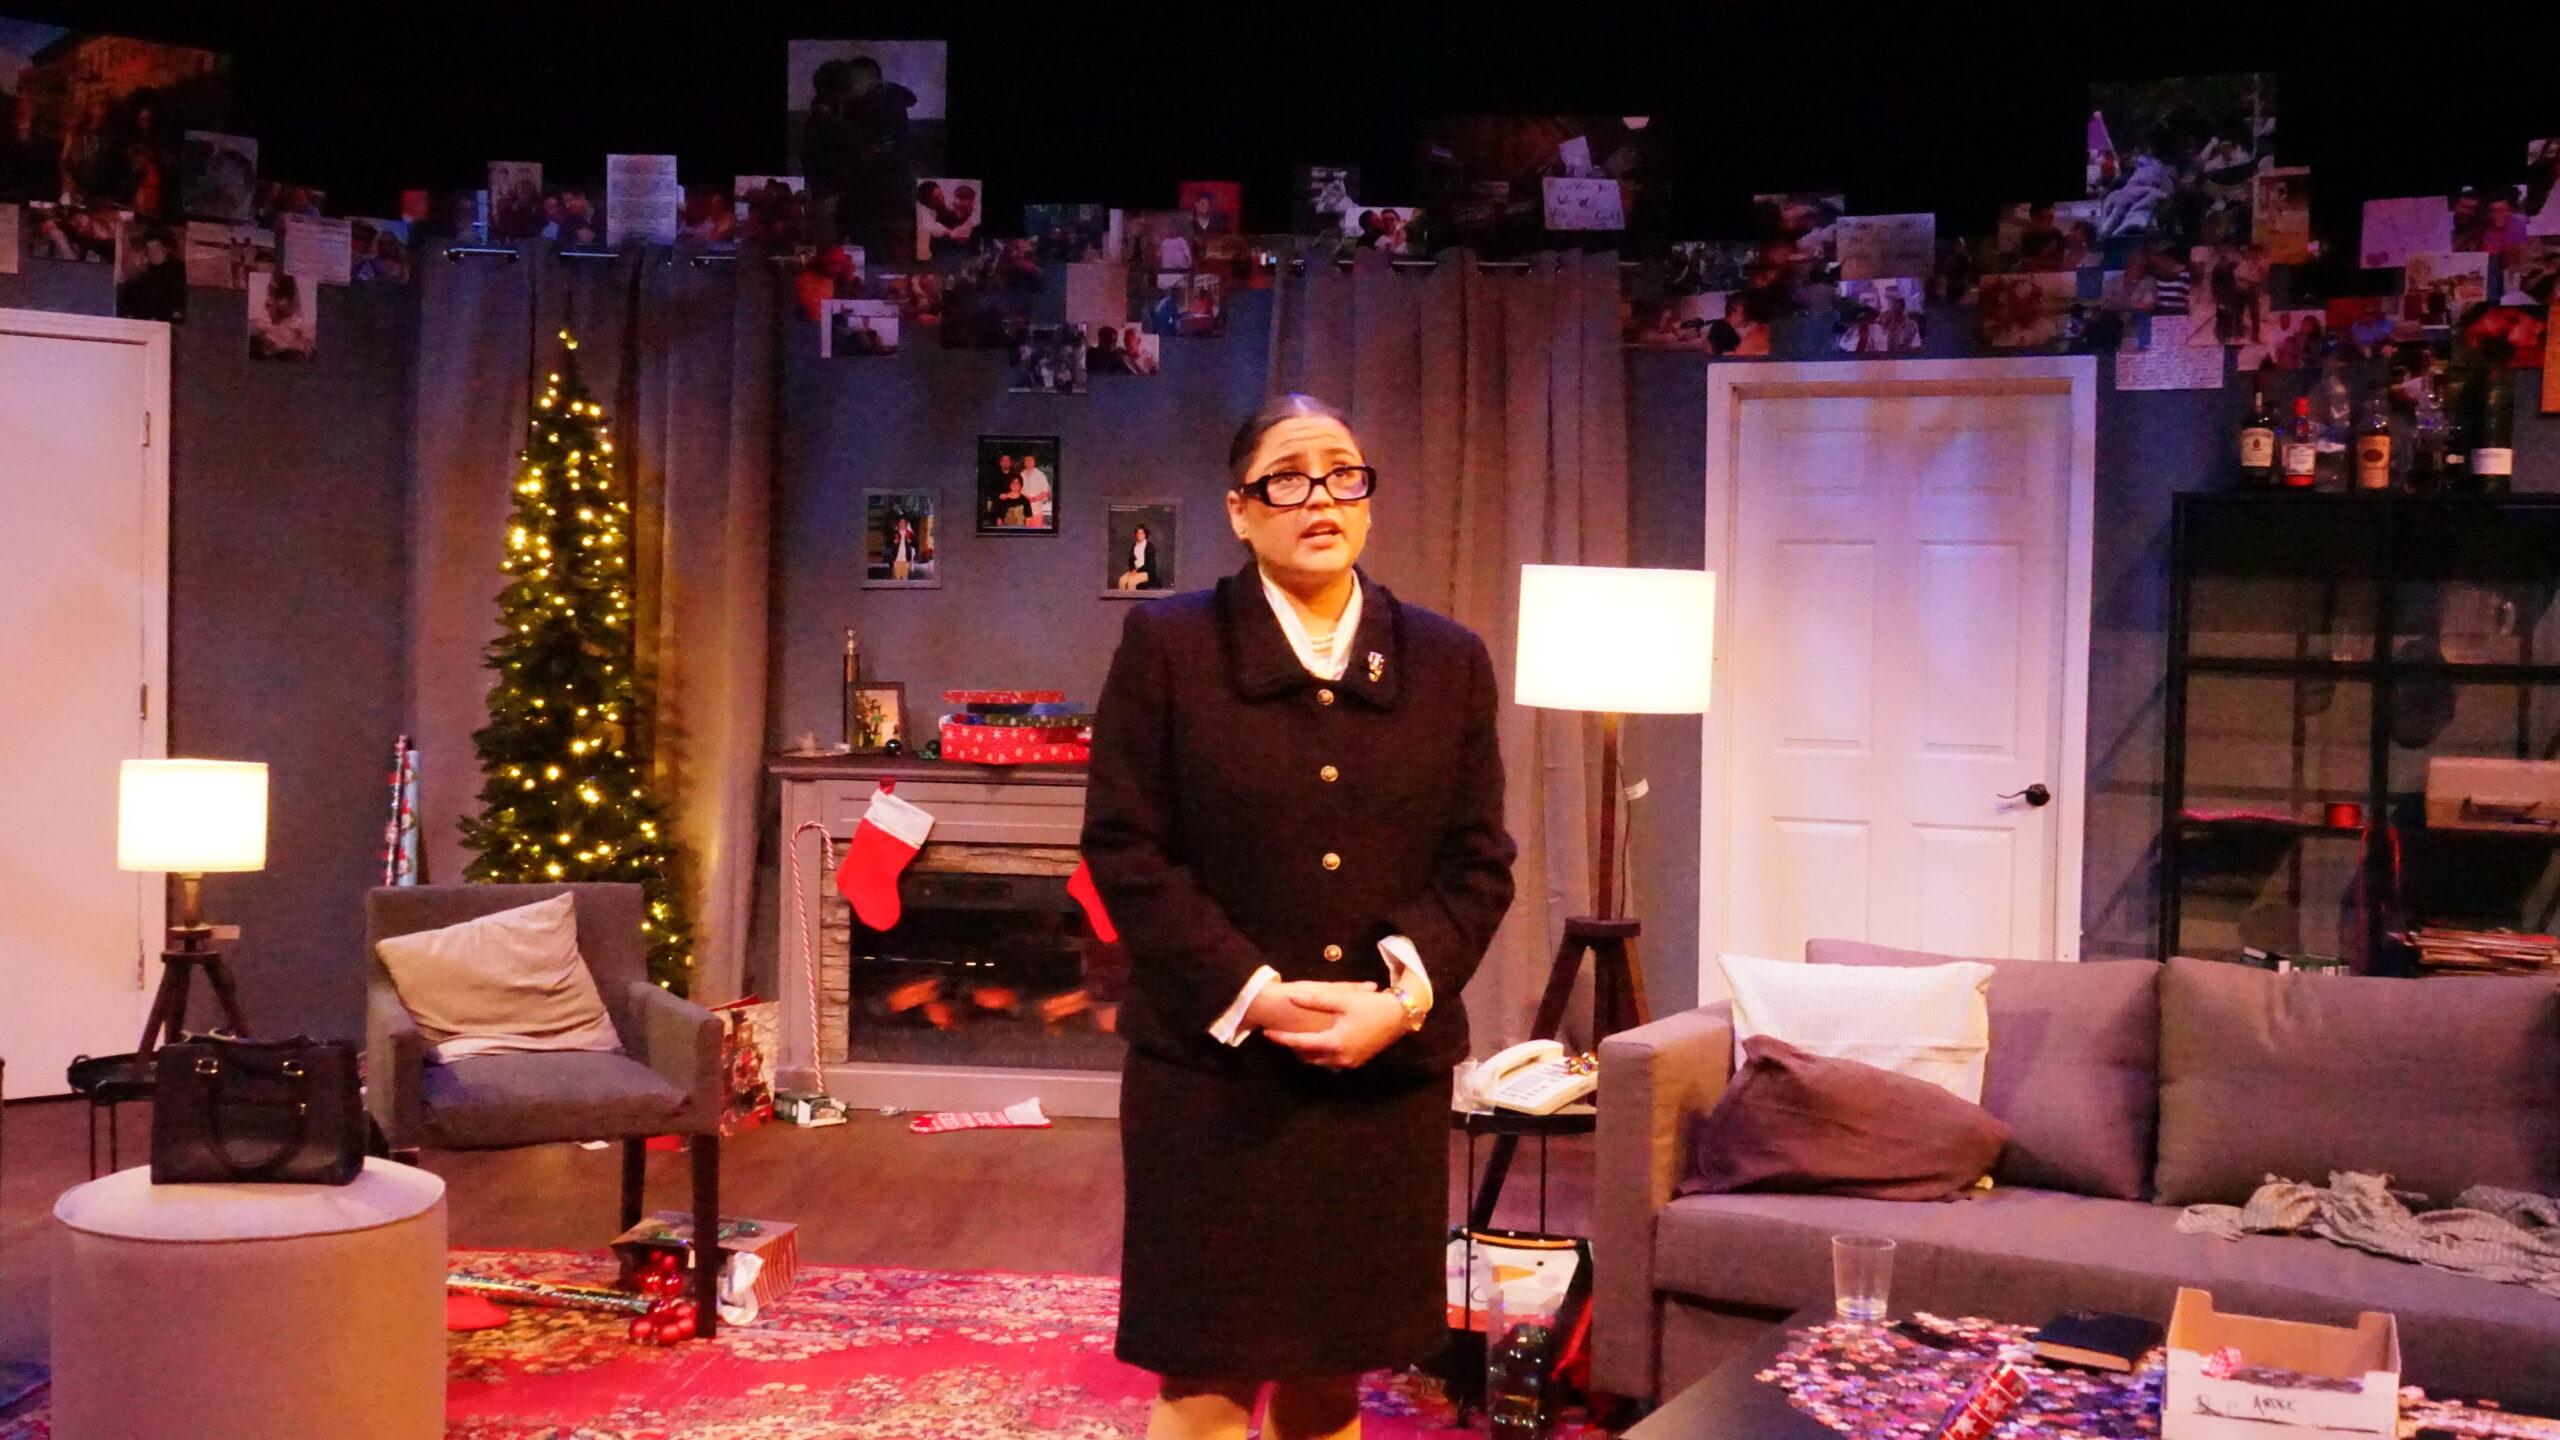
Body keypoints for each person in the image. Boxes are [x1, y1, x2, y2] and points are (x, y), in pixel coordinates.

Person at [1083, 392, 1515, 1440]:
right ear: (1239, 510)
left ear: (1367, 501)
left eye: (1343, 474)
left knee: (1332, 1374)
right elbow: (1126, 849)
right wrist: (1257, 996)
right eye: (1287, 478)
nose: (1319, 497)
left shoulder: (1447, 660)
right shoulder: (1169, 645)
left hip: (1380, 1080)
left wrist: (1399, 1003)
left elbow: (1477, 863)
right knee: (1205, 1376)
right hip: (1212, 1076)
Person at [1118, 523, 1164, 590]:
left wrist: (1137, 571)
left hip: (1147, 572)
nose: (1139, 535)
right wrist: (1132, 570)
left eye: (1142, 533)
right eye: (1138, 533)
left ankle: (1131, 597)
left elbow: (1150, 565)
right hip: (1134, 571)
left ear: (1145, 534)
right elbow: (1131, 560)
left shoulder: (1149, 546)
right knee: (1122, 581)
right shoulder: (1134, 546)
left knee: (1131, 582)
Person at [1018, 453, 1053, 527]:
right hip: (1023, 509)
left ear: (1034, 462)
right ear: (1024, 462)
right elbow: (1017, 491)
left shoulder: (1040, 475)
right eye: (1026, 460)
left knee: (1037, 530)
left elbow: (1045, 492)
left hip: (1037, 510)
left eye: (1030, 460)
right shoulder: (1020, 475)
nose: (1028, 462)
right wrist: (1027, 499)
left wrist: (1034, 499)